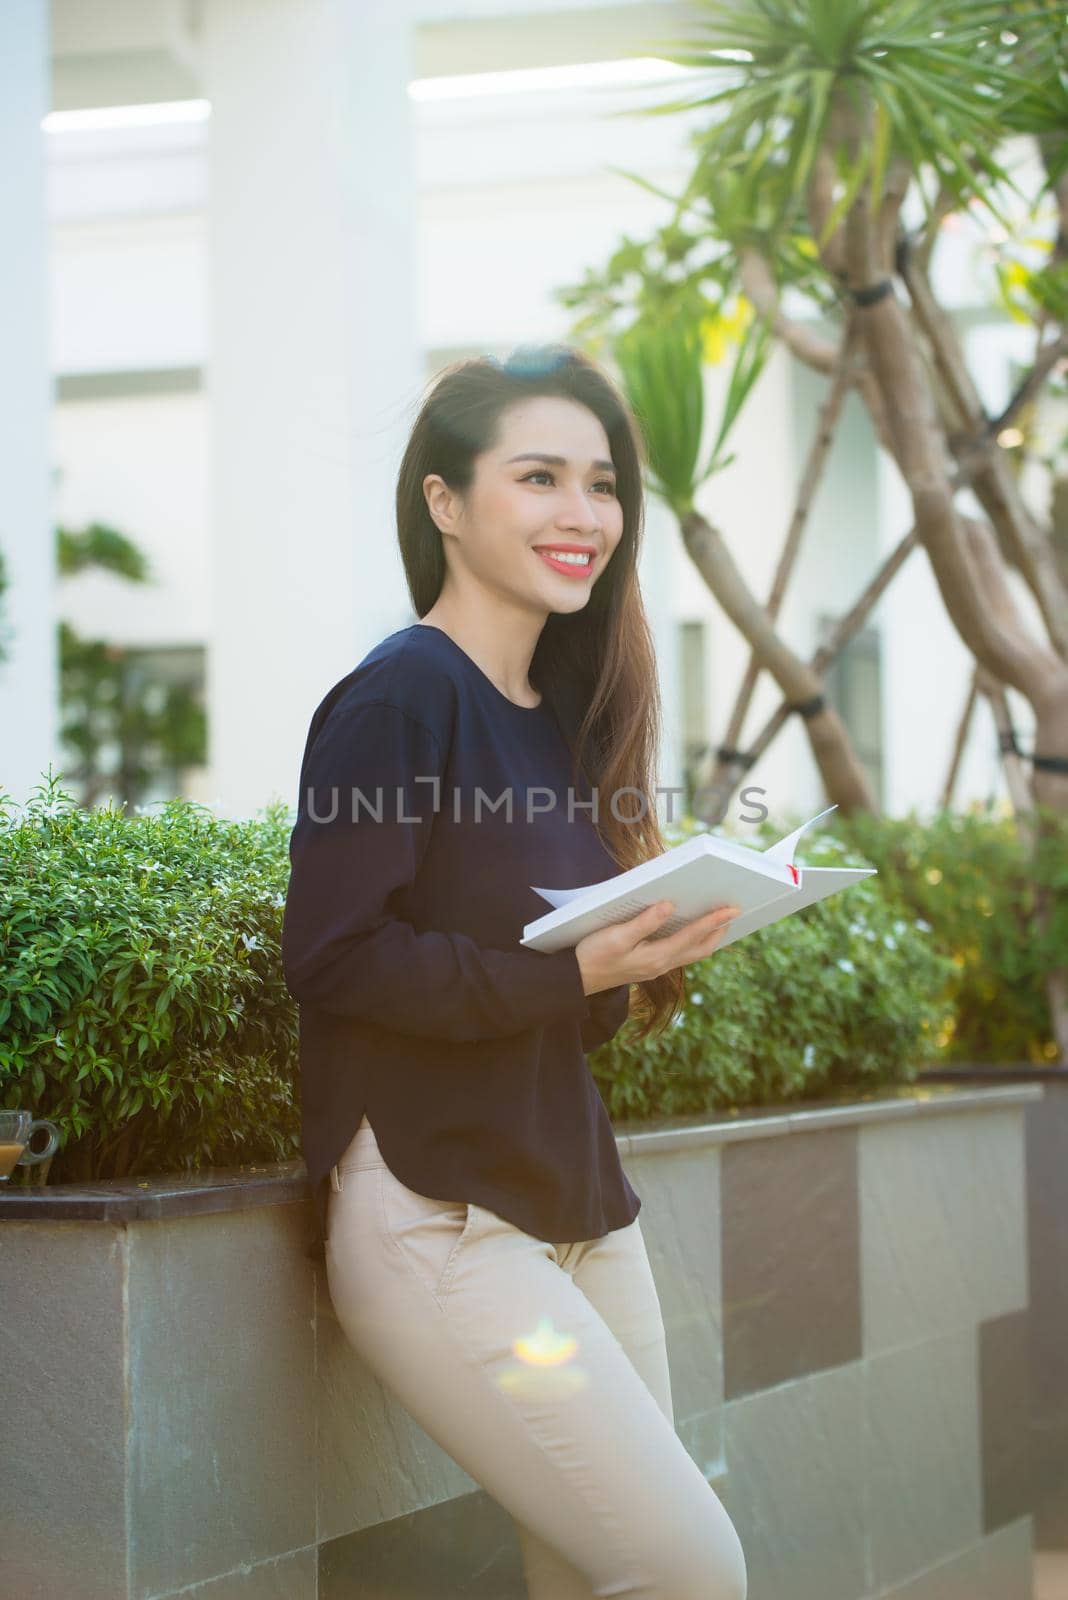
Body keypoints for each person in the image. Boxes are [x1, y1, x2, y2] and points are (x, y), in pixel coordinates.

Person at [281, 344, 747, 1599]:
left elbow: (545, 986)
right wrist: (572, 970)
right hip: (444, 1222)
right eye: (539, 476)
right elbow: (330, 955)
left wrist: (641, 951)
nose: (583, 514)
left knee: (594, 1573)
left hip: (579, 1211)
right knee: (690, 1570)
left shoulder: (559, 710)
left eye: (601, 484)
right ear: (444, 501)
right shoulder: (397, 696)